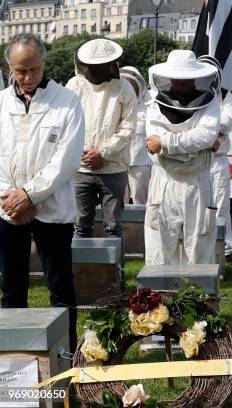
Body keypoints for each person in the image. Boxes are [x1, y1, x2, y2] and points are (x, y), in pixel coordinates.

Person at [0, 33, 85, 352]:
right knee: (11, 288)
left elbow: (66, 158)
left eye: (33, 69)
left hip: (52, 208)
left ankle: (68, 360)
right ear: (9, 66)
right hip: (8, 209)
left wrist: (30, 195)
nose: (27, 77)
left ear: (43, 63)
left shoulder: (67, 102)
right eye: (20, 71)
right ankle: (13, 358)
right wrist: (11, 198)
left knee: (60, 287)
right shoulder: (1, 102)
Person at [144, 50, 221, 265]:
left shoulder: (210, 103)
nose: (180, 82)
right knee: (160, 249)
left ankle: (198, 299)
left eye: (186, 78)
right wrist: (191, 147)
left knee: (198, 249)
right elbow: (152, 142)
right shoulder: (154, 104)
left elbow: (205, 135)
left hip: (197, 182)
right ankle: (162, 299)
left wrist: (167, 143)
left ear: (196, 77)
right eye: (177, 77)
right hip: (164, 182)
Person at [67, 39, 137, 242]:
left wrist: (102, 153)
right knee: (80, 226)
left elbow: (127, 128)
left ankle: (116, 274)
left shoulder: (124, 88)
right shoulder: (74, 85)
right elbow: (67, 123)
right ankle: (81, 274)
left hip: (113, 168)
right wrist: (85, 154)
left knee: (113, 228)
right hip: (81, 169)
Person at [197, 55, 232, 262]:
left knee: (222, 204)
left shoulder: (224, 95)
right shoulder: (192, 95)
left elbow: (228, 122)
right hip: (197, 158)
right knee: (199, 204)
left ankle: (226, 248)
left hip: (218, 159)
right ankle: (203, 249)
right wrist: (212, 129)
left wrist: (206, 127)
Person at [120, 66, 152, 205]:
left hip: (142, 161)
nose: (130, 86)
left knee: (142, 200)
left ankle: (142, 226)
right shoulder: (116, 103)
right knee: (119, 200)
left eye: (132, 83)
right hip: (118, 161)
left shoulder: (149, 104)